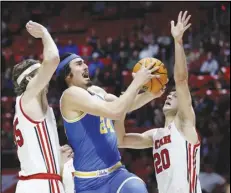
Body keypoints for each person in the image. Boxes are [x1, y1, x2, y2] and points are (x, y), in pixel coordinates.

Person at [116, 11, 202, 193]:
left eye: (175, 96)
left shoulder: (185, 124)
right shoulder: (155, 135)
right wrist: (129, 97)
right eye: (169, 95)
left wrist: (178, 42)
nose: (170, 96)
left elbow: (181, 80)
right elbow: (120, 140)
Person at [55, 50, 165, 193]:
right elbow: (115, 111)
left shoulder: (96, 91)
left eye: (84, 62)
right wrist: (137, 82)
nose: (86, 66)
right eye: (79, 64)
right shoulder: (70, 95)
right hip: (88, 183)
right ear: (67, 75)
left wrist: (151, 93)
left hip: (116, 173)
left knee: (136, 188)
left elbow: (125, 105)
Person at [12, 21, 73, 193]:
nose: (47, 75)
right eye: (40, 71)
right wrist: (45, 34)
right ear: (30, 80)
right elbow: (53, 59)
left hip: (30, 183)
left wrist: (55, 154)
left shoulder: (27, 107)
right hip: (43, 184)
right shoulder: (29, 97)